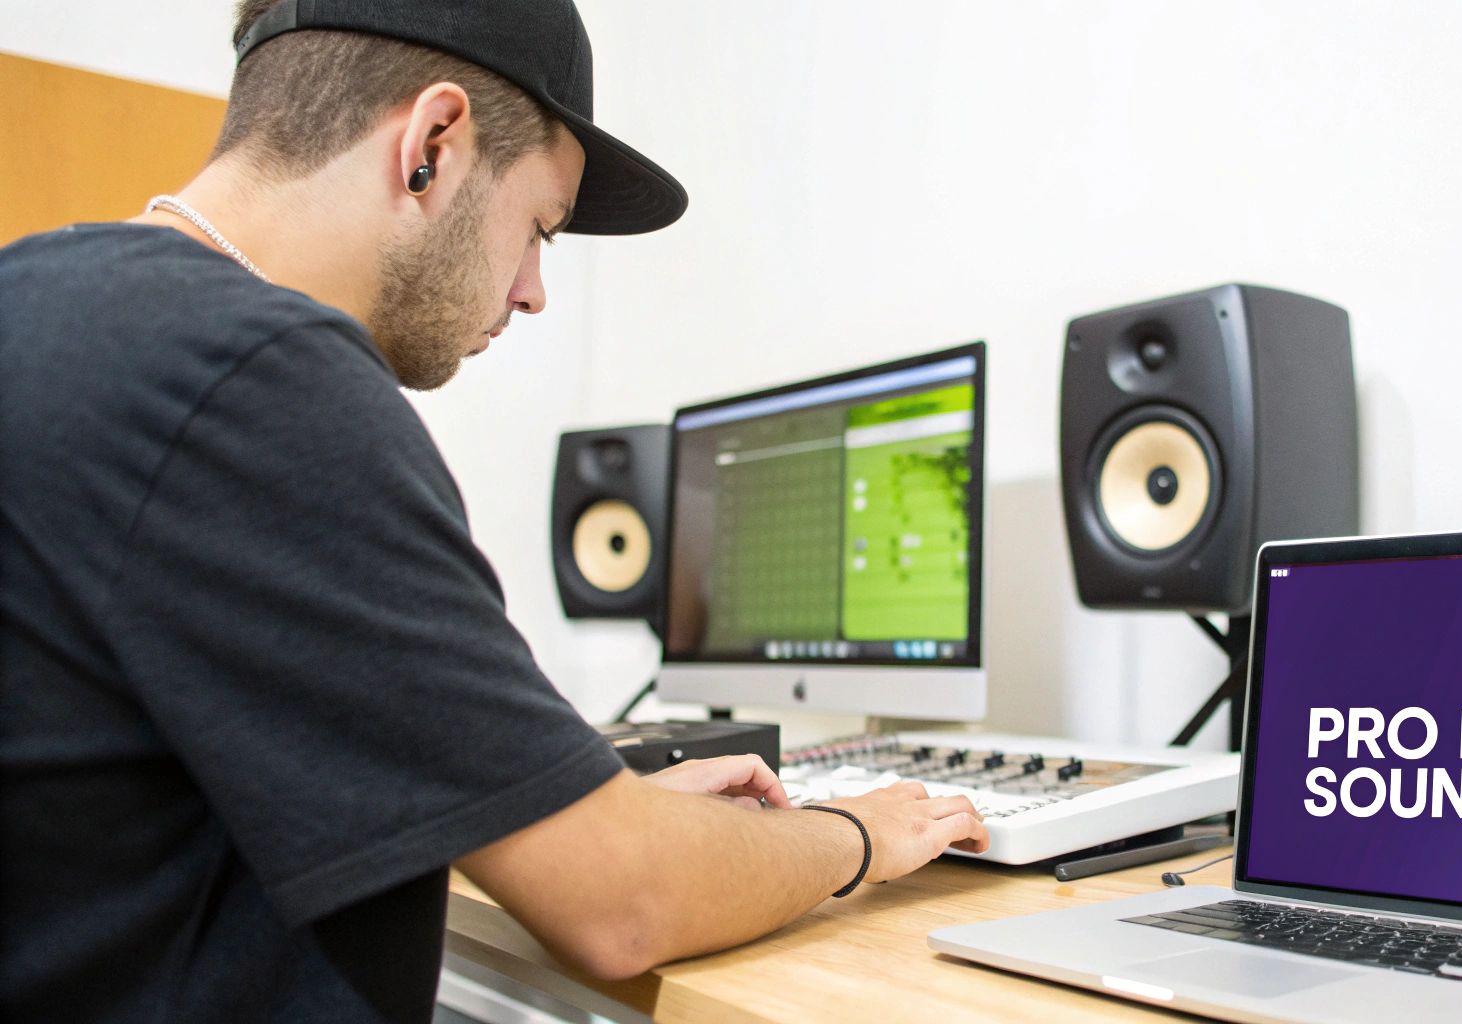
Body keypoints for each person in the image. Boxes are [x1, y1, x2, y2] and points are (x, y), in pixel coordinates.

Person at [0, 1, 987, 1020]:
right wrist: (856, 833)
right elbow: (627, 903)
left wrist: (560, 793)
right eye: (539, 229)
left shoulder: (47, 304)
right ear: (430, 145)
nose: (533, 292)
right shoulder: (259, 378)